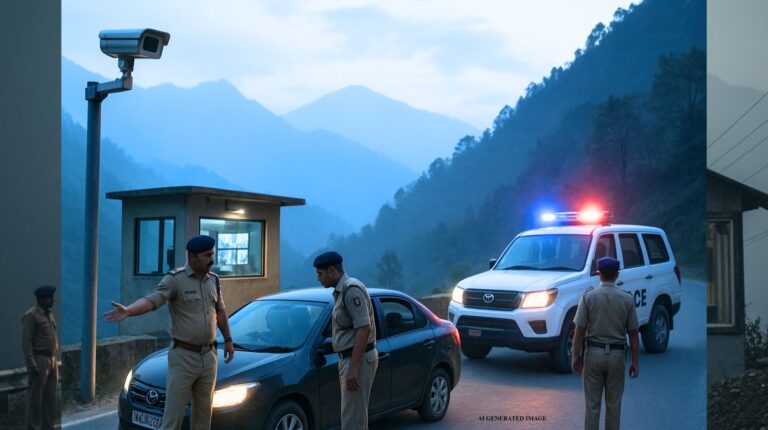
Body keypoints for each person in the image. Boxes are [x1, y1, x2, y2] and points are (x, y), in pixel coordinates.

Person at [104, 235, 235, 430]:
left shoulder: (214, 281)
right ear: (192, 256)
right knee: (172, 418)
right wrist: (129, 310)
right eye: (207, 255)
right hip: (183, 357)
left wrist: (228, 340)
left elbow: (221, 312)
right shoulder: (175, 280)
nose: (212, 260)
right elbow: (152, 300)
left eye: (212, 254)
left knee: (203, 417)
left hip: (209, 357)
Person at [572, 256, 640, 430]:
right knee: (614, 406)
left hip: (593, 354)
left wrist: (575, 357)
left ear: (599, 274)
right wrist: (635, 362)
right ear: (617, 275)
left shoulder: (588, 297)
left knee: (592, 407)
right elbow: (633, 334)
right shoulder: (627, 299)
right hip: (617, 356)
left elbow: (579, 330)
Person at [314, 251, 378, 430]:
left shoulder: (351, 290)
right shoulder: (341, 292)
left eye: (320, 274)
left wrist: (354, 368)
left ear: (332, 270)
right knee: (356, 416)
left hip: (357, 359)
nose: (318, 278)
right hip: (349, 359)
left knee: (352, 421)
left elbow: (364, 329)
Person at [21, 285, 59, 430]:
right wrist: (32, 365)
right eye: (50, 298)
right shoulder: (31, 316)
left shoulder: (49, 314)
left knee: (50, 400)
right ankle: (32, 427)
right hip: (40, 359)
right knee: (35, 400)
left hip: (52, 360)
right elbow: (26, 343)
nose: (53, 300)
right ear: (42, 299)